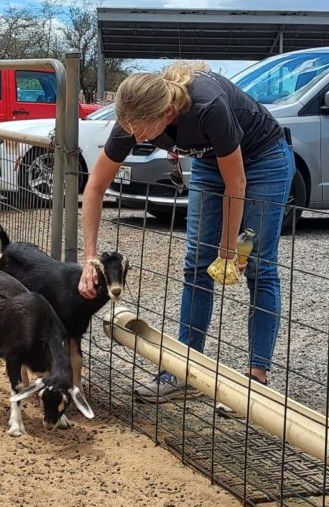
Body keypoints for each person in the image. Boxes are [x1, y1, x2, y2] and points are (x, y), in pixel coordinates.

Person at [78, 62, 295, 401]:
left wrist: (228, 249)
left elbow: (235, 183)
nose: (136, 139)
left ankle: (257, 378)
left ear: (167, 111)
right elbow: (95, 188)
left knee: (258, 266)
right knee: (196, 263)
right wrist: (89, 257)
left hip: (264, 158)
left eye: (143, 132)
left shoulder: (208, 107)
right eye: (130, 130)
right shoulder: (134, 118)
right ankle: (184, 371)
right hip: (210, 161)